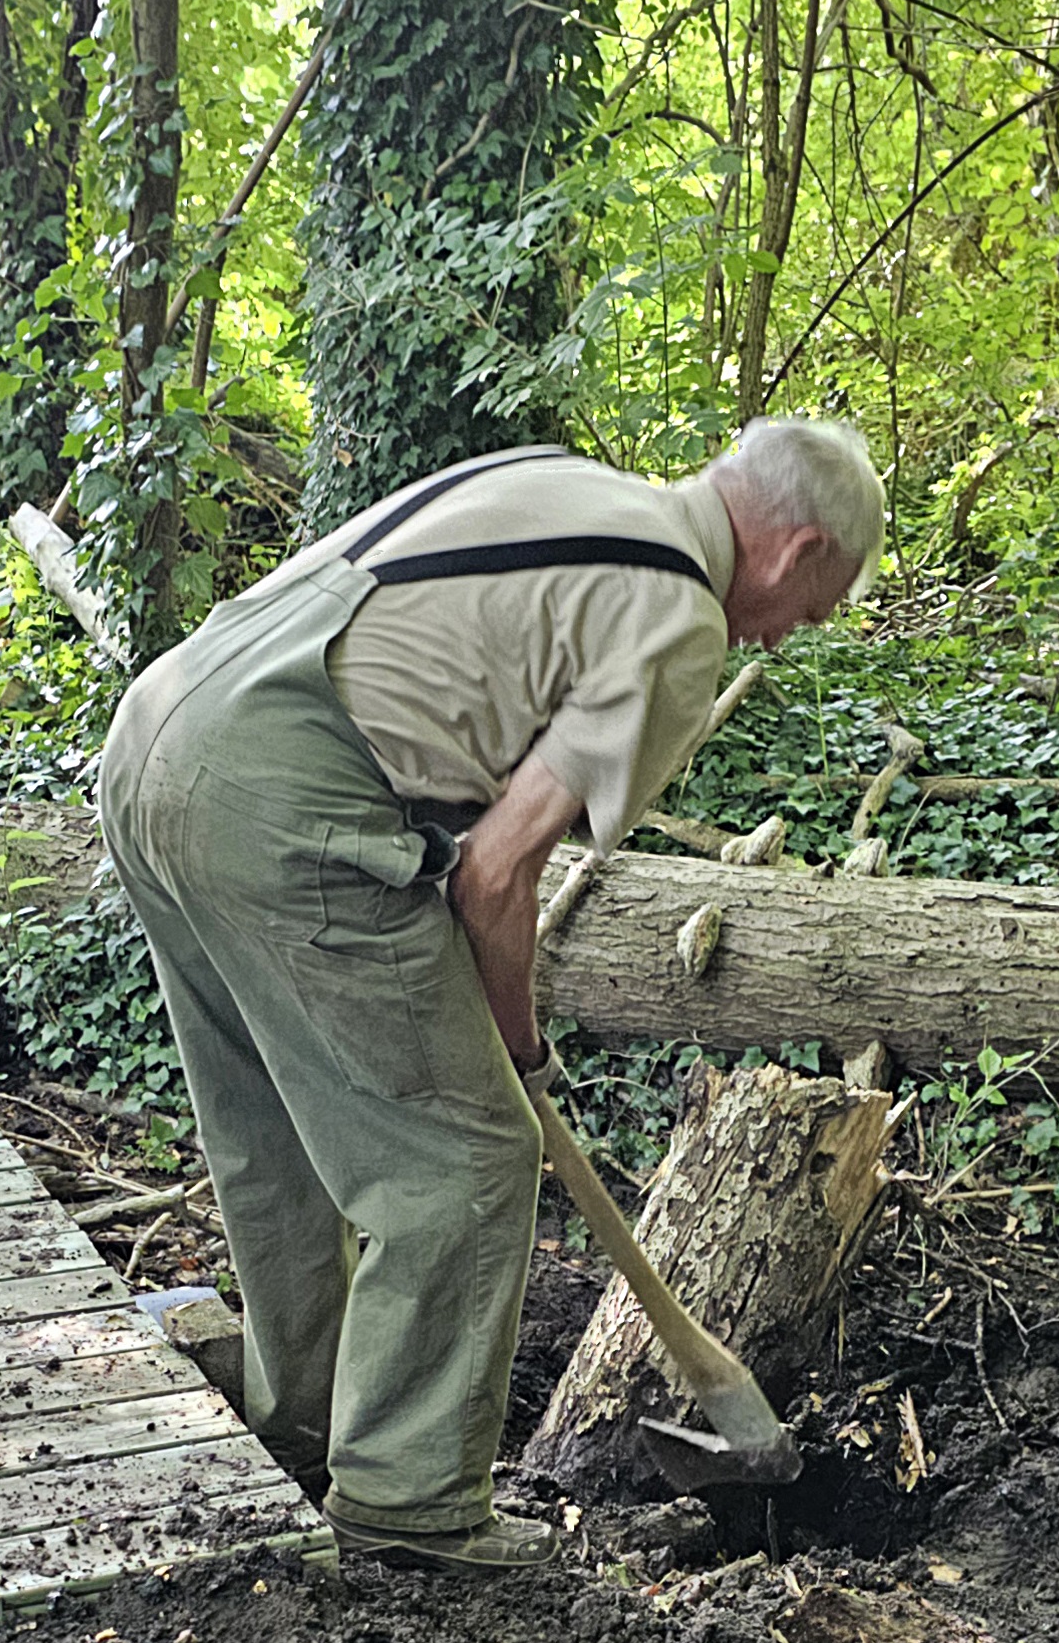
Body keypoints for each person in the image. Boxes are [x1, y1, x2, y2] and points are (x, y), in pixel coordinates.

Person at [97, 418, 885, 1575]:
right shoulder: (675, 615)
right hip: (287, 796)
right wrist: (516, 1046)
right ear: (797, 548)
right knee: (466, 1158)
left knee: (279, 1131)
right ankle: (409, 1499)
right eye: (815, 604)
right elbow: (497, 871)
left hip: (162, 735)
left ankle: (303, 1421)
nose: (795, 630)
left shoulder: (570, 485)